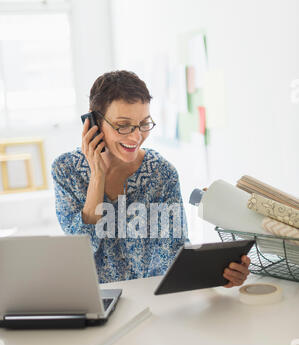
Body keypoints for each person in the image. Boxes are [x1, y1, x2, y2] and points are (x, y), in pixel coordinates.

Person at [52, 70, 250, 288]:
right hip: (96, 300)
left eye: (144, 123)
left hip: (151, 300)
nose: (136, 137)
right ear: (94, 121)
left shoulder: (161, 174)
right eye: (123, 125)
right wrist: (97, 176)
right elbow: (81, 252)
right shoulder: (66, 171)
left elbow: (175, 251)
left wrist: (218, 276)